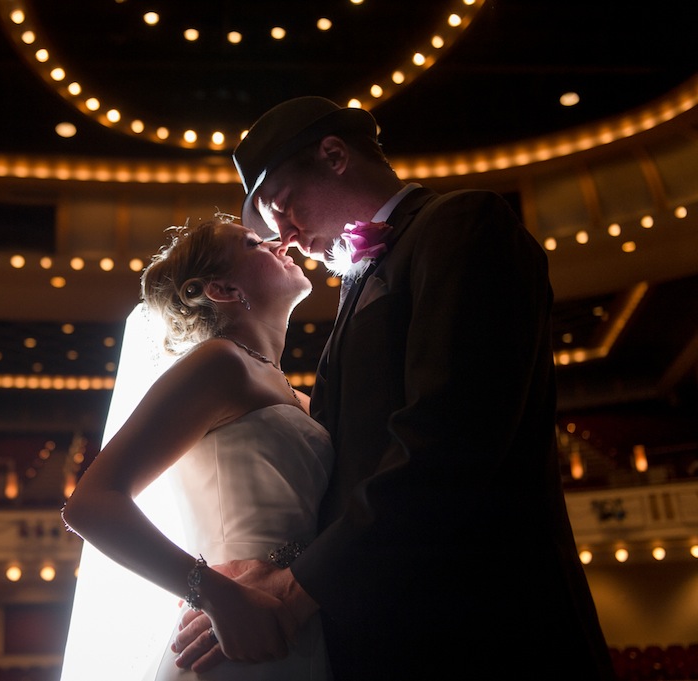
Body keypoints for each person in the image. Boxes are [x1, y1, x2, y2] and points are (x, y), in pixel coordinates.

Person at [171, 97, 616, 679]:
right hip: (388, 630)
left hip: (487, 625)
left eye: (281, 203)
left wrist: (297, 587)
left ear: (334, 156)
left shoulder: (462, 223)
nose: (283, 234)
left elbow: (451, 440)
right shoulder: (357, 284)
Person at [61, 214, 334, 680]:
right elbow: (91, 505)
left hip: (306, 623)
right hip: (232, 636)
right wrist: (216, 596)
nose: (278, 244)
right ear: (224, 290)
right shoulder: (221, 362)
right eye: (253, 243)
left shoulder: (301, 397)